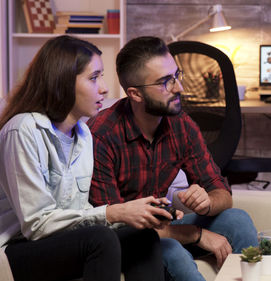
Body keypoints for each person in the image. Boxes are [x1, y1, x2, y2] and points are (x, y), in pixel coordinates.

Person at [0, 35, 179, 281]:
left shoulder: (84, 135)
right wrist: (114, 213)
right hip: (16, 249)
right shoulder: (23, 130)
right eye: (94, 78)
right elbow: (37, 225)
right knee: (100, 238)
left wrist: (141, 214)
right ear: (62, 81)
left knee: (141, 236)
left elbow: (78, 213)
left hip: (61, 243)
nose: (104, 87)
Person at [87, 36, 258, 281]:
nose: (180, 88)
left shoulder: (181, 125)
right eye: (165, 82)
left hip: (160, 228)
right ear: (135, 94)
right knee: (172, 250)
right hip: (124, 240)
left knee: (237, 220)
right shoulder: (101, 135)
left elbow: (222, 192)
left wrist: (207, 202)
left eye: (177, 75)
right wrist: (196, 234)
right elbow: (114, 226)